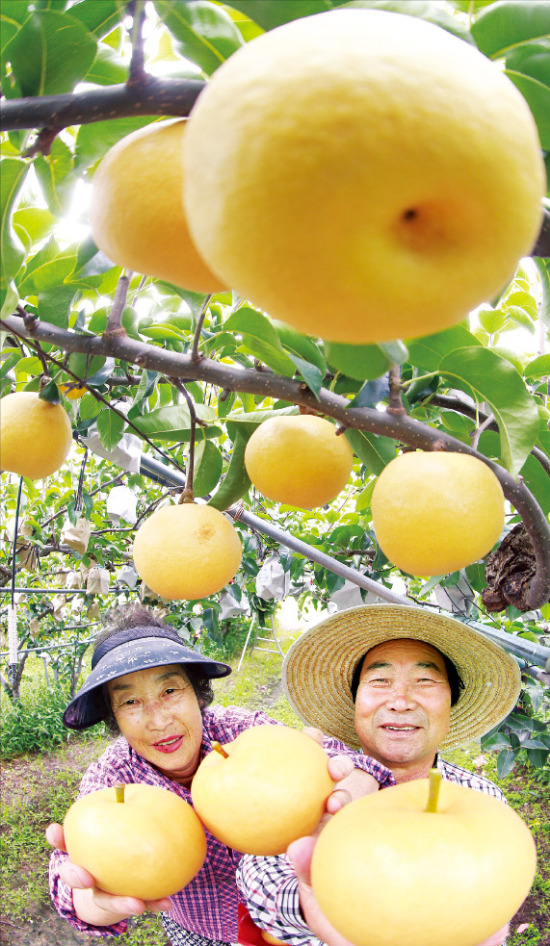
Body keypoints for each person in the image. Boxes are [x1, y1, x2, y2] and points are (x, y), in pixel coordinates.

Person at [47, 604, 393, 946]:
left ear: (197, 694)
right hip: (197, 933)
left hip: (283, 918)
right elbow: (73, 885)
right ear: (115, 717)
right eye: (130, 703)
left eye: (169, 691)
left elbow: (352, 765)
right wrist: (99, 899)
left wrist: (342, 797)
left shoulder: (241, 733)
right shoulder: (113, 778)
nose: (158, 719)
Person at [237, 603, 523, 946]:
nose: (400, 701)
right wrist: (313, 900)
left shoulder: (483, 801)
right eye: (380, 680)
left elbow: (493, 896)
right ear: (355, 699)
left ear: (451, 702)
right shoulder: (318, 783)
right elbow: (257, 878)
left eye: (425, 680)